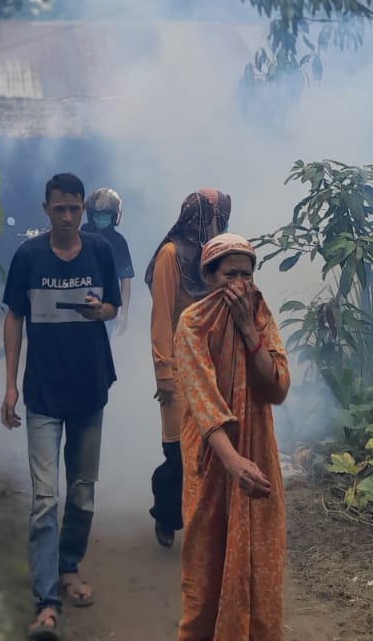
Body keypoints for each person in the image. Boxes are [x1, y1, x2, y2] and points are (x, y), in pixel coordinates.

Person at [1, 172, 121, 639]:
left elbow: (112, 307)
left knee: (83, 491)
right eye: (59, 209)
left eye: (74, 208)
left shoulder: (100, 251)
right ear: (46, 209)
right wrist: (10, 386)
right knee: (45, 499)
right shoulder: (29, 256)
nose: (68, 217)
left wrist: (99, 311)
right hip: (43, 394)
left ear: (83, 208)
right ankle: (46, 601)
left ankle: (69, 566)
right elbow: (14, 317)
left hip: (89, 389)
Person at [173, 232, 290, 641]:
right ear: (209, 278)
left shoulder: (259, 316)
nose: (240, 284)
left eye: (246, 275)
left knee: (259, 567)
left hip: (257, 453)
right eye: (230, 275)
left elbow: (277, 386)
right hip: (212, 461)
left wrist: (248, 331)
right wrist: (233, 462)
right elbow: (203, 402)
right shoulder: (192, 324)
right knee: (205, 575)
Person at [145, 189, 232, 547]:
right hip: (179, 368)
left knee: (212, 449)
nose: (220, 225)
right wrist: (163, 372)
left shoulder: (216, 257)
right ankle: (166, 515)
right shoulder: (171, 255)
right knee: (179, 452)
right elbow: (161, 317)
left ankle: (205, 527)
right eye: (216, 218)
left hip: (212, 367)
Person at [80, 187, 134, 335]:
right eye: (97, 215)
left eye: (106, 216)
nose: (100, 219)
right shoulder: (83, 233)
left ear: (115, 216)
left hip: (107, 305)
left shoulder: (119, 242)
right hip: (80, 299)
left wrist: (124, 313)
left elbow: (125, 280)